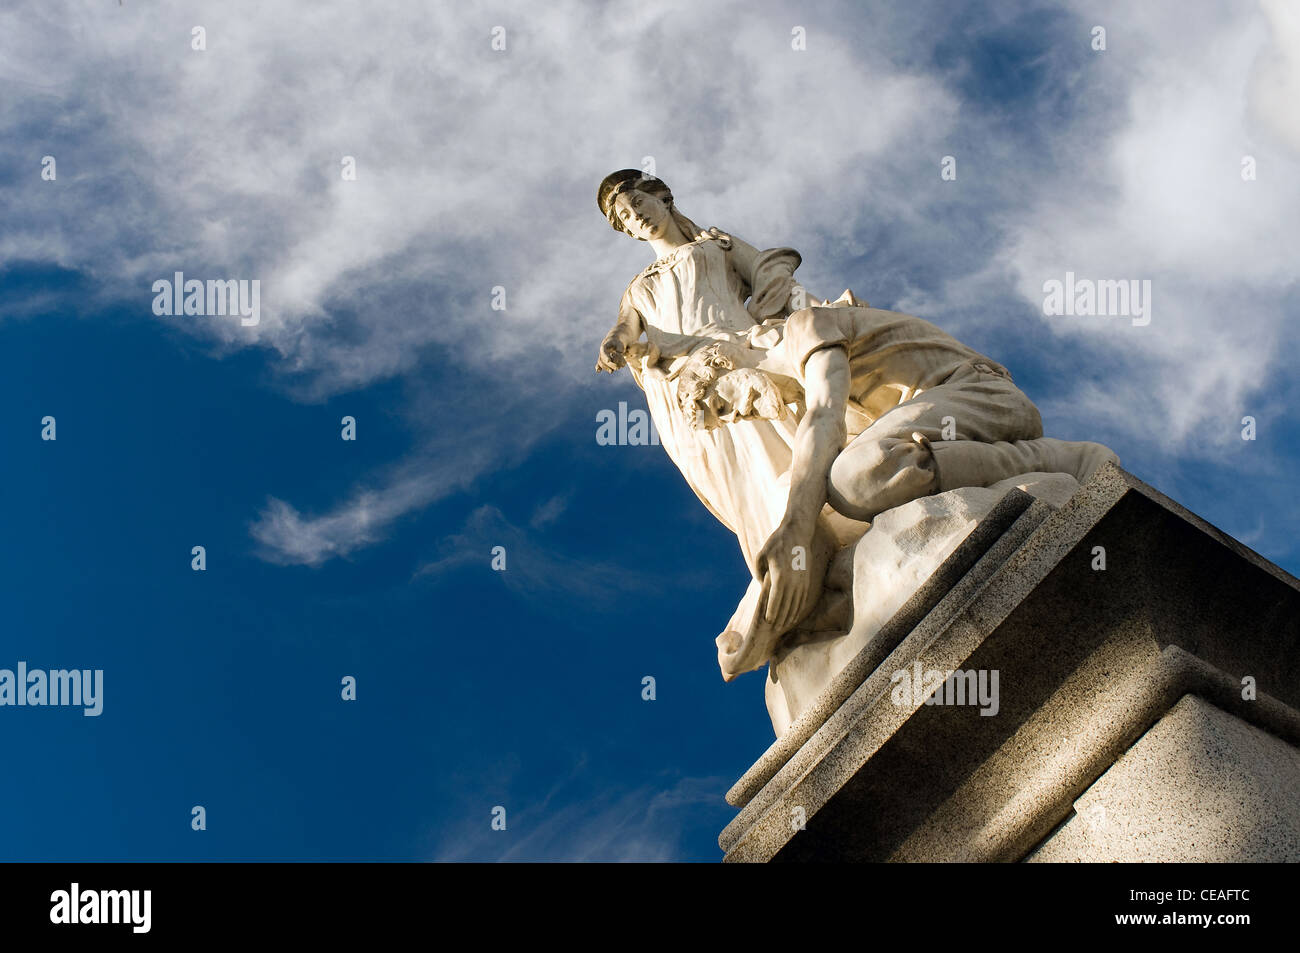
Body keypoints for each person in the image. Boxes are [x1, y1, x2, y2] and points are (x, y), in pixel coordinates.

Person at [676, 303, 1118, 675]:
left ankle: (1059, 459)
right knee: (837, 483)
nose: (737, 414)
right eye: (726, 420)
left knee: (854, 478)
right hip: (945, 430)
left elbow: (824, 417)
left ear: (728, 362)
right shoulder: (807, 390)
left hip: (982, 394)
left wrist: (794, 525)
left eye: (721, 402)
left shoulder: (804, 329)